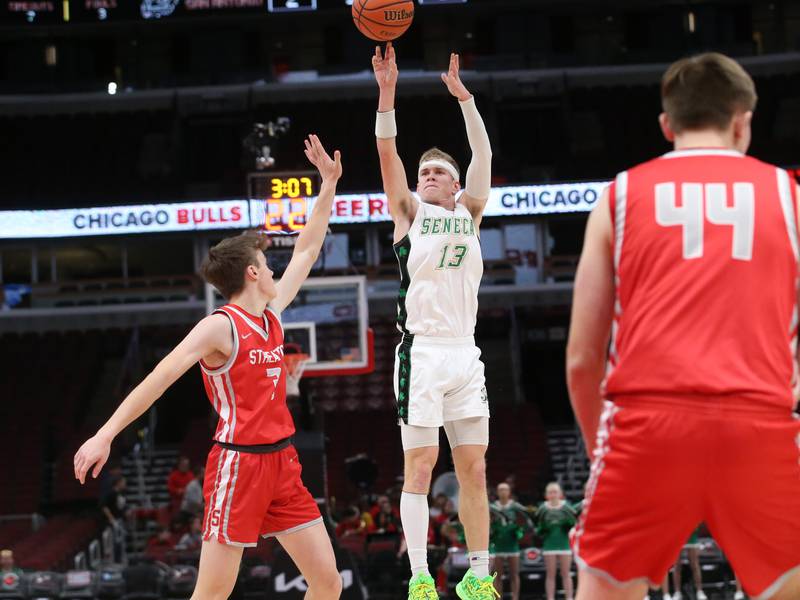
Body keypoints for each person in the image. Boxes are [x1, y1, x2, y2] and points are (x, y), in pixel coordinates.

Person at [566, 52, 800, 600]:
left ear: (668, 126)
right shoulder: (791, 198)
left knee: (605, 589)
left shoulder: (619, 195)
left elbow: (582, 358)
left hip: (646, 426)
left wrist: (605, 452)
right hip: (758, 422)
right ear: (742, 121)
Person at [74, 135, 344, 600]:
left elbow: (307, 249)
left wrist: (329, 184)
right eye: (266, 263)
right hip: (239, 464)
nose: (275, 269)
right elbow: (157, 381)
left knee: (328, 582)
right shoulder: (219, 328)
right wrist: (105, 434)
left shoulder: (272, 316)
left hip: (283, 462)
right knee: (212, 593)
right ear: (252, 273)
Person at [372, 42, 494, 600]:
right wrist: (388, 92)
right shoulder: (409, 214)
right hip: (419, 352)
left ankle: (478, 576)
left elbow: (482, 155)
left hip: (465, 353)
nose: (427, 176)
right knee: (419, 467)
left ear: (455, 184)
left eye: (437, 172)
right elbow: (388, 153)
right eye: (424, 172)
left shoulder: (469, 213)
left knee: (474, 469)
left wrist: (465, 100)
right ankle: (420, 576)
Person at [489, 483, 531, 600]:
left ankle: (515, 597)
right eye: (500, 490)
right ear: (497, 492)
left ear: (509, 492)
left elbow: (526, 521)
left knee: (514, 574)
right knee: (497, 575)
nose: (503, 492)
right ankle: (498, 597)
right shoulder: (492, 507)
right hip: (498, 545)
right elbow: (489, 524)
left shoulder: (516, 506)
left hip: (512, 545)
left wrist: (519, 531)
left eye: (505, 490)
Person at [536, 483, 577, 600]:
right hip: (549, 545)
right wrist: (542, 529)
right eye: (550, 492)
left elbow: (575, 522)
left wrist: (569, 525)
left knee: (566, 573)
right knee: (550, 575)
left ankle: (569, 597)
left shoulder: (567, 507)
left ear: (560, 494)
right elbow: (537, 527)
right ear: (546, 495)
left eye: (555, 492)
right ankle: (550, 598)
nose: (553, 494)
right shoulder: (542, 508)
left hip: (564, 545)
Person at [671, 527, 707, 600]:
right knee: (677, 565)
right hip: (677, 534)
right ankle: (677, 592)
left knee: (694, 564)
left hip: (691, 534)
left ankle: (699, 591)